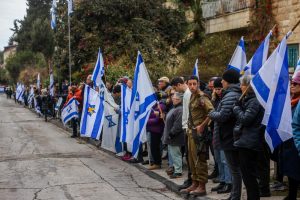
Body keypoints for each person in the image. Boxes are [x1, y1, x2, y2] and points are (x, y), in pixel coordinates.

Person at [209, 69, 242, 200]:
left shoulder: (230, 95)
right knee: (234, 168)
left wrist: (210, 113)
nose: (221, 81)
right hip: (229, 136)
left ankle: (235, 196)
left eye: (223, 79)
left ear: (228, 81)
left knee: (234, 169)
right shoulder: (230, 94)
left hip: (229, 137)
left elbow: (223, 116)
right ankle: (234, 194)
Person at [232, 75, 265, 200]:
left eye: (242, 84)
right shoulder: (248, 100)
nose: (240, 87)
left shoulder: (254, 101)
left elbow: (246, 119)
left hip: (249, 143)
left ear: (249, 86)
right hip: (245, 141)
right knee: (247, 176)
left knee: (249, 176)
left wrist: (236, 108)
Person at [180, 75, 213, 196]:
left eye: (195, 84)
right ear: (187, 84)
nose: (192, 86)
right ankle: (194, 183)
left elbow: (211, 112)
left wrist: (203, 125)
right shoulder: (192, 96)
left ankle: (202, 186)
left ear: (198, 84)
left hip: (199, 134)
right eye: (190, 84)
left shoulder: (202, 97)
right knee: (191, 159)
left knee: (199, 159)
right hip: (191, 132)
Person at [278, 72, 300, 200]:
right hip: (290, 142)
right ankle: (291, 194)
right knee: (292, 171)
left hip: (296, 141)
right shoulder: (291, 100)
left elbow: (296, 125)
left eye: (296, 83)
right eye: (291, 83)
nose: (292, 85)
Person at [210, 77, 232, 194]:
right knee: (218, 159)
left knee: (225, 160)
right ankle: (222, 180)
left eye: (219, 88)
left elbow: (220, 115)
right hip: (216, 132)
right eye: (216, 89)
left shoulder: (226, 98)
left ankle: (229, 183)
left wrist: (212, 114)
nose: (218, 91)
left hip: (224, 134)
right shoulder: (214, 99)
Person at [170, 77, 192, 189]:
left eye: (175, 88)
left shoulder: (188, 94)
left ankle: (191, 180)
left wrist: (186, 127)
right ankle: (190, 179)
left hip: (188, 129)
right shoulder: (186, 94)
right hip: (186, 128)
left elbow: (188, 113)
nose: (175, 91)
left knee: (190, 157)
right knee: (188, 156)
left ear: (179, 84)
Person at [162, 92, 185, 179]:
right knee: (172, 154)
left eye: (174, 98)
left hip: (175, 137)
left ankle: (178, 171)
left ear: (179, 100)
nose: (172, 99)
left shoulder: (180, 109)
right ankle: (175, 169)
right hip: (170, 137)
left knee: (176, 154)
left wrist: (171, 133)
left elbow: (178, 124)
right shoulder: (173, 108)